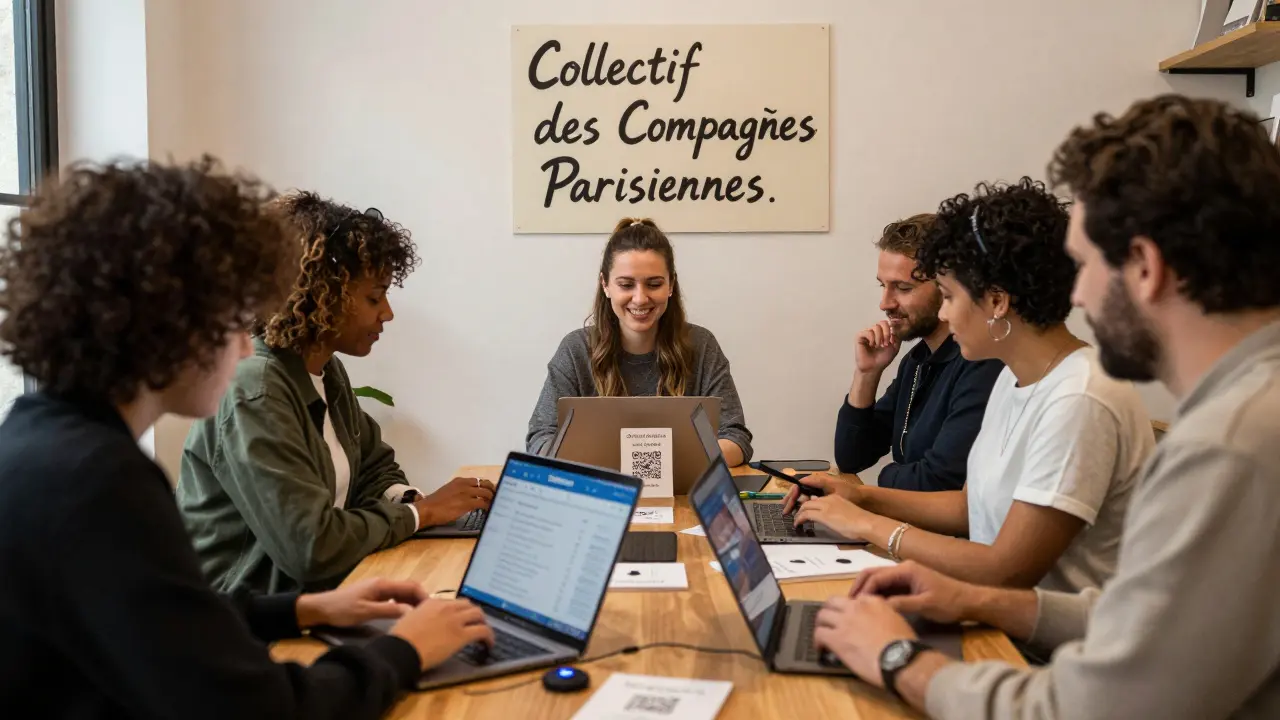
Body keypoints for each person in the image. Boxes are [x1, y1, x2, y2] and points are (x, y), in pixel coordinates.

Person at [812, 95, 1280, 719]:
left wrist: (899, 659)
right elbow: (1143, 621)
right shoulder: (1243, 411)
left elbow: (1097, 706)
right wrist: (974, 599)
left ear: (1145, 267)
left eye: (1084, 265)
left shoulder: (1229, 444)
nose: (1075, 293)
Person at [0, 157, 493, 719]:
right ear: (167, 320)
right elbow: (260, 709)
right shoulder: (100, 482)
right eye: (234, 318)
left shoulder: (45, 446)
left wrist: (303, 610)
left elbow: (169, 625)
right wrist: (405, 650)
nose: (243, 346)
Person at [789, 178, 1153, 594]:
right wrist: (859, 498)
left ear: (997, 302)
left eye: (948, 296)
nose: (944, 314)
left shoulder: (1079, 398)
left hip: (1039, 629)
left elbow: (1007, 570)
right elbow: (967, 506)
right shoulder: (1015, 378)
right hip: (998, 609)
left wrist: (866, 524)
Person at [177, 191, 495, 595]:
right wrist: (422, 514)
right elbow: (311, 547)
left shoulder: (324, 370)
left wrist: (410, 500)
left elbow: (373, 467)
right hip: (248, 619)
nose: (387, 313)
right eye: (374, 297)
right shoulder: (255, 391)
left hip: (317, 599)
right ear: (321, 295)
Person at [526, 217, 753, 465]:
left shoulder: (702, 345)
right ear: (605, 285)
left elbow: (736, 437)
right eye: (626, 285)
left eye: (654, 284)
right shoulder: (575, 350)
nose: (640, 298)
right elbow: (540, 439)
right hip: (601, 487)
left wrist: (652, 462)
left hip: (683, 488)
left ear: (671, 284)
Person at [835, 213, 1003, 491]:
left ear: (947, 287)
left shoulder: (982, 363)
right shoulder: (917, 360)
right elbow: (851, 457)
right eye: (883, 285)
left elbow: (937, 481)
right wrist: (867, 374)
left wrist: (886, 475)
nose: (885, 303)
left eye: (903, 288)